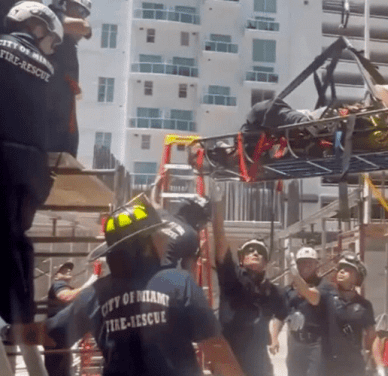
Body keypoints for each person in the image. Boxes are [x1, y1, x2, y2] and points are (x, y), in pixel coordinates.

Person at [8, 195, 244, 376]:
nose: (164, 238)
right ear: (146, 243)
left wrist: (6, 330)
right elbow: (216, 348)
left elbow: (49, 334)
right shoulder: (179, 283)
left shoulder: (95, 295)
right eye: (158, 234)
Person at [0, 1, 63, 327]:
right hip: (32, 169)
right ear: (37, 26)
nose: (48, 48)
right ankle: (19, 315)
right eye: (50, 39)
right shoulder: (48, 70)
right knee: (15, 236)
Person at [212, 195, 288, 376]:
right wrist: (218, 206)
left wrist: (274, 335)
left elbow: (280, 314)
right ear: (241, 259)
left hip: (259, 363)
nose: (255, 253)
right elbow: (220, 241)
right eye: (250, 251)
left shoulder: (274, 291)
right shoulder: (232, 278)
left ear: (267, 262)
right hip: (229, 360)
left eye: (260, 252)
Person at [269, 246, 332, 376]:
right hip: (296, 343)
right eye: (302, 262)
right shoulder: (288, 291)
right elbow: (280, 316)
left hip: (317, 344)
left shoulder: (324, 287)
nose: (306, 265)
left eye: (310, 262)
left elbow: (312, 297)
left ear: (316, 265)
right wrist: (274, 338)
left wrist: (295, 275)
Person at [321, 251, 383, 376]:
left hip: (354, 366)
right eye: (340, 269)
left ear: (357, 277)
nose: (341, 272)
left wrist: (380, 366)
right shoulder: (326, 297)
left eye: (347, 269)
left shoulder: (364, 305)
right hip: (328, 365)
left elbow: (373, 337)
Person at [46, 0, 92, 157]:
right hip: (50, 100)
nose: (82, 17)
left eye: (84, 14)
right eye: (80, 11)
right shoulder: (50, 17)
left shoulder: (69, 43)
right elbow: (84, 28)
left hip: (64, 104)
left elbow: (85, 30)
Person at [45, 260, 101, 376]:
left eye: (69, 269)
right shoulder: (58, 285)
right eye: (63, 269)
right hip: (56, 335)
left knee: (66, 368)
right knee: (59, 368)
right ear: (56, 276)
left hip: (59, 335)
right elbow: (67, 296)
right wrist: (93, 279)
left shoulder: (66, 286)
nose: (68, 270)